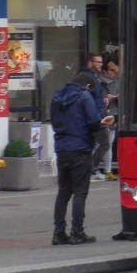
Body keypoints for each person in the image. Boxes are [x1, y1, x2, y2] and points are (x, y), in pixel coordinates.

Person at [51, 70, 114, 245]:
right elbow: (93, 122)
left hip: (61, 147)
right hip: (80, 148)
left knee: (63, 192)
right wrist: (103, 123)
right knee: (80, 192)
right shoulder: (85, 96)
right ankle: (77, 233)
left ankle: (58, 233)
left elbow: (55, 121)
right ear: (87, 86)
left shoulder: (57, 97)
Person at [85, 53, 111, 182]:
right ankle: (90, 170)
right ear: (90, 62)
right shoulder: (89, 77)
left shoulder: (94, 76)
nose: (101, 65)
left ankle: (90, 170)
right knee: (105, 143)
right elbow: (89, 97)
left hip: (97, 114)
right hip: (95, 116)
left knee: (96, 144)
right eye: (98, 62)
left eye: (101, 62)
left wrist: (103, 99)